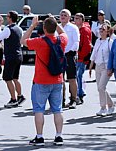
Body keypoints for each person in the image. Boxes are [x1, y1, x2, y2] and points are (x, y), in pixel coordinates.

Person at [22, 15, 67, 146]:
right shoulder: (61, 40)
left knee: (39, 109)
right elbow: (63, 32)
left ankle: (40, 137)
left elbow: (23, 40)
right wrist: (54, 21)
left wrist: (32, 25)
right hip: (57, 80)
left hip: (41, 80)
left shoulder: (39, 41)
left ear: (44, 29)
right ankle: (59, 136)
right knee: (57, 110)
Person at [0, 11, 25, 108]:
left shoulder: (8, 29)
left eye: (7, 16)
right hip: (18, 55)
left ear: (10, 18)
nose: (6, 18)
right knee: (15, 78)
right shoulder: (19, 28)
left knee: (7, 78)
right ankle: (20, 96)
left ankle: (13, 99)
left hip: (11, 56)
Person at [89, 21, 116, 116]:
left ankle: (103, 108)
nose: (101, 31)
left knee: (101, 87)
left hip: (106, 67)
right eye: (100, 29)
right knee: (101, 88)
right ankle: (111, 104)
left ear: (108, 32)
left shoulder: (110, 42)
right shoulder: (97, 41)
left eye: (103, 29)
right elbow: (94, 53)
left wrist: (111, 68)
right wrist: (91, 66)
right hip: (98, 66)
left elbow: (112, 56)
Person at [58, 9, 80, 108]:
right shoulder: (56, 27)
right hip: (59, 55)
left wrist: (71, 51)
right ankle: (61, 100)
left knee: (71, 78)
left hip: (69, 55)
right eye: (61, 15)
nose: (63, 16)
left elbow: (76, 42)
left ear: (69, 17)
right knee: (60, 79)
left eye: (65, 15)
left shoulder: (73, 27)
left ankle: (74, 99)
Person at [73, 13, 92, 104]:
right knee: (77, 76)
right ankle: (79, 92)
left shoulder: (85, 30)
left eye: (77, 18)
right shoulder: (76, 29)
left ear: (81, 20)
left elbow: (87, 46)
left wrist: (82, 57)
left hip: (81, 58)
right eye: (75, 18)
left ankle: (79, 94)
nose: (75, 20)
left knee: (78, 76)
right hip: (77, 56)